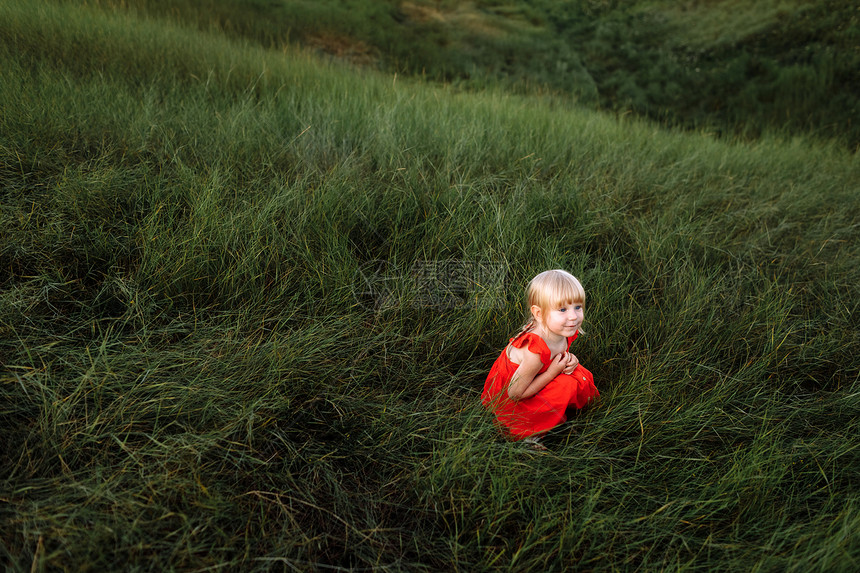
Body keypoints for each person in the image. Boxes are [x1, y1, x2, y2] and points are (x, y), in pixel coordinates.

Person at [481, 269, 599, 449]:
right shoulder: (535, 351)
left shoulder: (558, 329)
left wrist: (570, 359)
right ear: (538, 313)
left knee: (579, 375)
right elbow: (515, 394)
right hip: (512, 397)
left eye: (578, 307)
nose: (573, 316)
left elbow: (558, 355)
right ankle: (526, 437)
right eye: (562, 309)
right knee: (565, 386)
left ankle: (572, 413)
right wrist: (552, 372)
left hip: (534, 377)